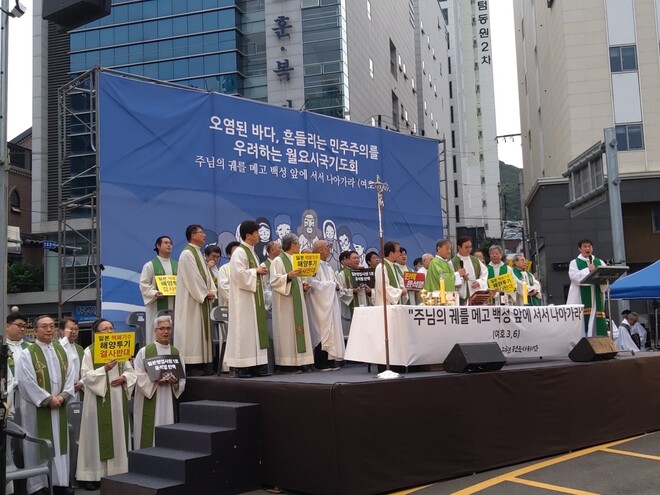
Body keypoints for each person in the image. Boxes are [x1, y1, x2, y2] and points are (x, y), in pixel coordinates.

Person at [16, 315, 76, 495]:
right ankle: (38, 485)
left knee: (59, 444)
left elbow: (71, 375)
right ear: (34, 331)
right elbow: (25, 381)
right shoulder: (28, 353)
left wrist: (64, 396)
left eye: (51, 326)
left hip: (60, 406)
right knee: (37, 445)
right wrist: (48, 399)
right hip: (38, 410)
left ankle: (60, 483)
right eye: (44, 326)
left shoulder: (62, 350)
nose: (49, 329)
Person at [76, 318, 136, 490]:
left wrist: (124, 377)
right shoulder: (90, 351)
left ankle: (119, 472)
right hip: (96, 402)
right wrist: (105, 370)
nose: (109, 332)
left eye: (111, 328)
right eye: (104, 329)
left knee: (118, 433)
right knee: (94, 437)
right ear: (96, 334)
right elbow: (86, 376)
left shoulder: (121, 349)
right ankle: (92, 476)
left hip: (117, 400)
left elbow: (131, 372)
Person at [225, 220, 270, 378]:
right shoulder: (239, 252)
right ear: (248, 235)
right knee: (243, 330)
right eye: (257, 232)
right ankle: (241, 366)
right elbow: (238, 274)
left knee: (254, 331)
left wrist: (259, 271)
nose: (259, 235)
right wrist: (256, 271)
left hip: (254, 298)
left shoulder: (252, 252)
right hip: (243, 299)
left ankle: (255, 364)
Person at [133, 315, 186, 450]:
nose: (166, 332)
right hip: (150, 398)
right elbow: (138, 375)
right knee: (149, 436)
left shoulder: (176, 353)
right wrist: (155, 381)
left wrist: (175, 382)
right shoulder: (144, 352)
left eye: (168, 328)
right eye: (162, 328)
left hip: (168, 397)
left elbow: (182, 377)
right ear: (155, 331)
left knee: (168, 429)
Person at [174, 225, 217, 376]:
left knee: (200, 331)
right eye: (201, 233)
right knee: (192, 331)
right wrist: (205, 294)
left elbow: (206, 275)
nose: (204, 235)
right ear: (193, 235)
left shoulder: (197, 253)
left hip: (200, 299)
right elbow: (193, 277)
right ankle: (191, 365)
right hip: (191, 301)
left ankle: (204, 363)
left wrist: (212, 291)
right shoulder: (187, 254)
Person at [270, 234, 315, 371]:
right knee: (287, 332)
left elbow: (299, 280)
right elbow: (274, 281)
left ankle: (301, 361)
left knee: (298, 331)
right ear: (293, 245)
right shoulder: (278, 261)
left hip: (297, 300)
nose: (299, 247)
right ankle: (287, 364)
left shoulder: (296, 260)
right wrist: (288, 276)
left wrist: (303, 287)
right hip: (285, 303)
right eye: (298, 244)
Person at [307, 240, 345, 370]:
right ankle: (320, 362)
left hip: (330, 303)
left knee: (332, 330)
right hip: (319, 304)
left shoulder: (328, 267)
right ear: (320, 250)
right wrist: (332, 285)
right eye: (327, 247)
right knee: (321, 330)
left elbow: (333, 282)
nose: (329, 249)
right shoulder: (313, 265)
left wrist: (337, 286)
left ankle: (330, 360)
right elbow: (312, 282)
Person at [139, 235, 178, 345]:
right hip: (157, 305)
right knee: (155, 332)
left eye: (170, 243)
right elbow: (144, 284)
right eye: (165, 242)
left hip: (174, 305)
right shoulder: (150, 265)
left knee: (174, 334)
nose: (169, 245)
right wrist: (155, 293)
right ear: (158, 246)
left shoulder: (177, 265)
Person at [567, 239, 608, 337]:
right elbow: (574, 277)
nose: (587, 248)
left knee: (596, 320)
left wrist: (604, 281)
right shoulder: (574, 263)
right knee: (583, 322)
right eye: (585, 246)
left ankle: (599, 340)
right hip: (581, 297)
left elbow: (606, 276)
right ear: (580, 249)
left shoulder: (599, 262)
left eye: (589, 246)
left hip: (596, 295)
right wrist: (587, 270)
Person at [336, 251, 373, 337]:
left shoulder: (364, 272)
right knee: (354, 334)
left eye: (358, 258)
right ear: (348, 260)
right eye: (354, 258)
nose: (357, 260)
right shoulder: (342, 274)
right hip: (351, 306)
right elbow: (339, 291)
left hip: (365, 303)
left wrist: (369, 291)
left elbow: (372, 288)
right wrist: (352, 291)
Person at [451, 236, 488, 304]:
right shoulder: (452, 262)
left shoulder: (475, 260)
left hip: (476, 293)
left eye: (470, 247)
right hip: (461, 296)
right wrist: (461, 278)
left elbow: (484, 272)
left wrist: (479, 282)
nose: (469, 249)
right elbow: (450, 278)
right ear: (459, 247)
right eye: (466, 247)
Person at [58, 317, 84, 401]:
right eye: (70, 329)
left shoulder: (79, 348)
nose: (74, 332)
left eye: (76, 329)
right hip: (61, 391)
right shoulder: (55, 346)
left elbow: (85, 369)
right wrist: (65, 338)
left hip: (78, 389)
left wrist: (81, 382)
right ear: (61, 331)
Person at [374, 240, 407, 305]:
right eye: (398, 251)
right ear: (391, 253)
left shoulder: (394, 266)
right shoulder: (381, 267)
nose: (400, 254)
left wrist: (403, 288)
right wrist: (400, 292)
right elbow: (383, 287)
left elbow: (399, 283)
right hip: (386, 305)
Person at [217, 241, 240, 307]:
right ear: (229, 254)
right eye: (235, 252)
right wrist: (239, 299)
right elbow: (224, 287)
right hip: (231, 305)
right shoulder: (224, 269)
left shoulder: (246, 268)